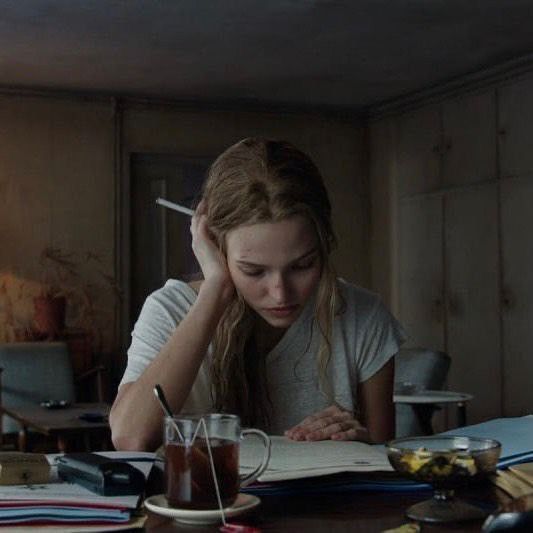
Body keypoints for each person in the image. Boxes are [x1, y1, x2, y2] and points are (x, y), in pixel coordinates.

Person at [110, 137, 405, 452]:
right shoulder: (171, 309)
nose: (280, 293)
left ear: (324, 246)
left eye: (302, 265)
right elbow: (131, 438)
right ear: (215, 248)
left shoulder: (364, 317)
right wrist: (216, 290)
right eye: (253, 271)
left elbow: (386, 458)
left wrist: (360, 443)